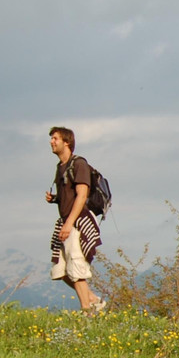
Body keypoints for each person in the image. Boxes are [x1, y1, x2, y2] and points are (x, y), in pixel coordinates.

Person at [46, 127, 104, 313]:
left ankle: (87, 311)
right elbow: (70, 195)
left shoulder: (79, 164)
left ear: (67, 142)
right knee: (61, 271)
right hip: (66, 221)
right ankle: (94, 300)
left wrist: (69, 223)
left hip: (78, 221)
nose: (51, 142)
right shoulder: (60, 167)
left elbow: (81, 195)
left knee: (76, 267)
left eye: (55, 138)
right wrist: (55, 198)